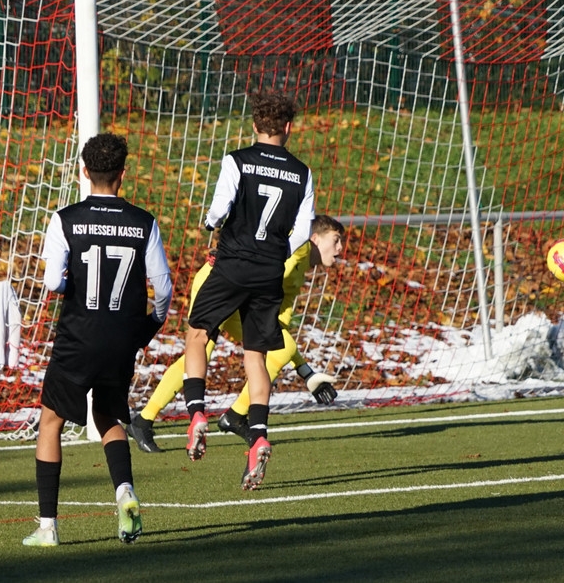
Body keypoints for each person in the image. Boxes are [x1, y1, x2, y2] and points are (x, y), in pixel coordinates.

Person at [23, 133, 172, 546]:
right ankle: (125, 493)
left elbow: (53, 280)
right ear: (123, 174)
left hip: (78, 336)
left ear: (84, 172)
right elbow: (163, 288)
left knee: (50, 421)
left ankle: (47, 527)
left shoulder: (65, 218)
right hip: (121, 339)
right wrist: (146, 329)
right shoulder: (145, 222)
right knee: (109, 416)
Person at [181, 90, 314, 491]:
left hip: (234, 263)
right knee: (255, 355)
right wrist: (276, 253)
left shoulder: (237, 159)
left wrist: (208, 225)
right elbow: (305, 230)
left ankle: (197, 413)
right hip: (268, 272)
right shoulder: (302, 172)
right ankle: (257, 436)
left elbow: (220, 208)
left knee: (198, 332)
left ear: (254, 126)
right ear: (288, 129)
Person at [127, 214, 346, 456]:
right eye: (335, 240)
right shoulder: (293, 252)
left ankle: (230, 416)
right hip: (218, 283)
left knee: (277, 348)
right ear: (314, 238)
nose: (340, 248)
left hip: (237, 294)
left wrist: (306, 372)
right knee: (201, 350)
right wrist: (305, 371)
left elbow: (277, 327)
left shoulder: (301, 262)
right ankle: (146, 421)